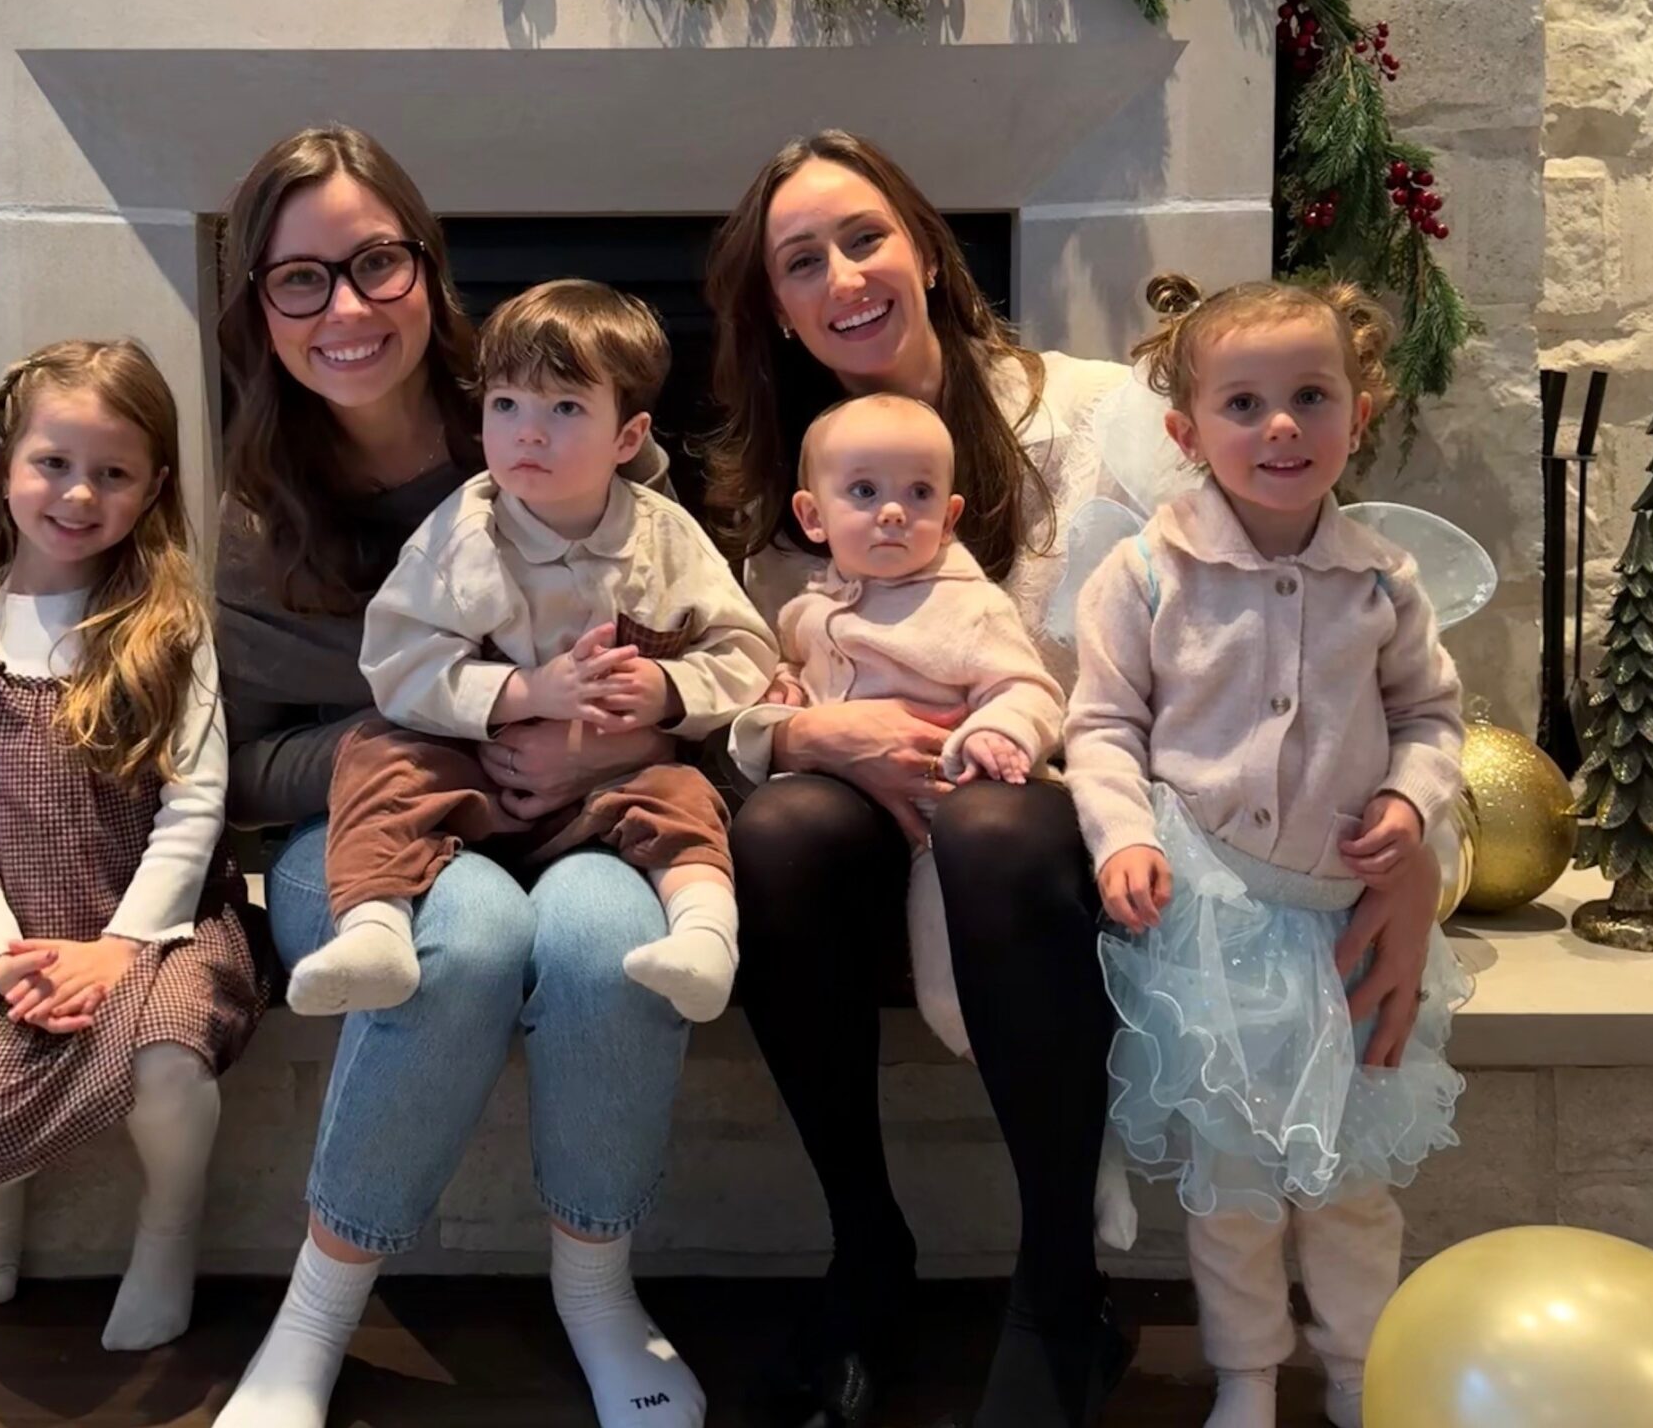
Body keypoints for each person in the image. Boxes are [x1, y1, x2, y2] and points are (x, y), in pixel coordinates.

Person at [704, 129, 1446, 1428]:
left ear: (927, 250)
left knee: (991, 821)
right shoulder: (782, 485)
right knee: (780, 831)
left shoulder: (1101, 418)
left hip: (1107, 825)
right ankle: (868, 1251)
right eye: (801, 261)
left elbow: (1319, 612)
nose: (844, 277)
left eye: (865, 235)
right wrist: (818, 737)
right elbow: (747, 691)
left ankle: (1060, 1289)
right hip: (889, 830)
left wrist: (1418, 834)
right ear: (775, 304)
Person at [211, 126, 712, 1428]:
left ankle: (598, 1289)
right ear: (258, 309)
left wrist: (616, 731)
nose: (346, 308)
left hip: (589, 803)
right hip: (376, 837)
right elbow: (243, 766)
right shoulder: (253, 518)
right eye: (299, 279)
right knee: (469, 940)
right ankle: (315, 1318)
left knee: (611, 940)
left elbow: (678, 632)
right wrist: (450, 743)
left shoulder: (548, 409)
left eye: (376, 262)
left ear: (429, 272)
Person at [1065, 276, 1468, 1428]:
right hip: (1212, 927)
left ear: (1359, 410)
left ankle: (1358, 1371)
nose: (1280, 425)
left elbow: (1433, 716)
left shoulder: (1383, 581)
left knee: (1350, 1182)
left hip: (1346, 917)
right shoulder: (1145, 574)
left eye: (1309, 396)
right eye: (1243, 404)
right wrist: (1123, 839)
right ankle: (1245, 1374)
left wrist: (1411, 795)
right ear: (1188, 433)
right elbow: (1100, 728)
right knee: (1235, 1183)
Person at [0, 339, 269, 1353]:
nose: (80, 493)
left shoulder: (170, 635)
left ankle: (168, 1235)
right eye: (55, 462)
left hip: (158, 932)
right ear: (7, 463)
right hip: (16, 931)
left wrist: (123, 947)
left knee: (170, 1062)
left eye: (114, 472)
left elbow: (195, 807)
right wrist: (3, 958)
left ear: (152, 488)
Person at [287, 279, 774, 1024]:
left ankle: (704, 937)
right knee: (376, 756)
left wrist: (668, 691)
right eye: (506, 405)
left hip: (609, 788)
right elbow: (397, 662)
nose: (528, 433)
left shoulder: (664, 536)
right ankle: (376, 929)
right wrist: (524, 694)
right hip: (472, 780)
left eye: (566, 409)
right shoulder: (463, 533)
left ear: (628, 438)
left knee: (684, 799)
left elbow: (743, 651)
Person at [762, 392, 1064, 1054]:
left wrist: (999, 730)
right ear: (813, 516)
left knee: (945, 945)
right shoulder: (806, 610)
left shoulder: (966, 607)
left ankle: (970, 1031)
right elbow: (789, 667)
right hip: (846, 814)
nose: (893, 511)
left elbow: (1029, 688)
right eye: (865, 491)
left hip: (936, 815)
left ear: (950, 517)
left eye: (920, 493)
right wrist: (784, 691)